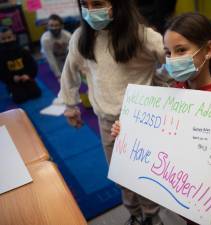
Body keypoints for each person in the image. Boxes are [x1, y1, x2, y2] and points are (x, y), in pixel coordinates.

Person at [111, 12, 211, 225]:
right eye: (168, 53)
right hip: (177, 190)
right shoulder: (176, 89)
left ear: (208, 50)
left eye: (180, 50)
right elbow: (161, 134)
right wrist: (127, 132)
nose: (172, 60)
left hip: (201, 202)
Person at [59, 0, 168, 225]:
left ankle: (152, 216)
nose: (91, 11)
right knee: (121, 175)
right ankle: (135, 214)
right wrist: (70, 105)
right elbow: (69, 71)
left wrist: (161, 81)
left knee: (145, 174)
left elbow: (173, 59)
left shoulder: (143, 36)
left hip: (143, 121)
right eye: (85, 5)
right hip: (107, 121)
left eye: (97, 3)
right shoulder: (81, 38)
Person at [0, 26, 41, 103]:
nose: (7, 40)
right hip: (12, 80)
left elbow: (32, 65)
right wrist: (12, 78)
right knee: (20, 99)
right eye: (3, 39)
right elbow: (1, 72)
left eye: (9, 37)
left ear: (14, 37)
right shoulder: (1, 55)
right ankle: (10, 89)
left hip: (25, 77)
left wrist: (28, 75)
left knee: (36, 94)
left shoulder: (22, 50)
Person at [40, 14, 72, 80]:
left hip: (64, 54)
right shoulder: (45, 39)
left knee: (70, 71)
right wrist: (58, 75)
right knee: (60, 74)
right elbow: (50, 58)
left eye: (56, 25)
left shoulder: (68, 35)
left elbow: (72, 53)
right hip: (51, 55)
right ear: (48, 26)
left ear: (61, 26)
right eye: (51, 26)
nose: (54, 28)